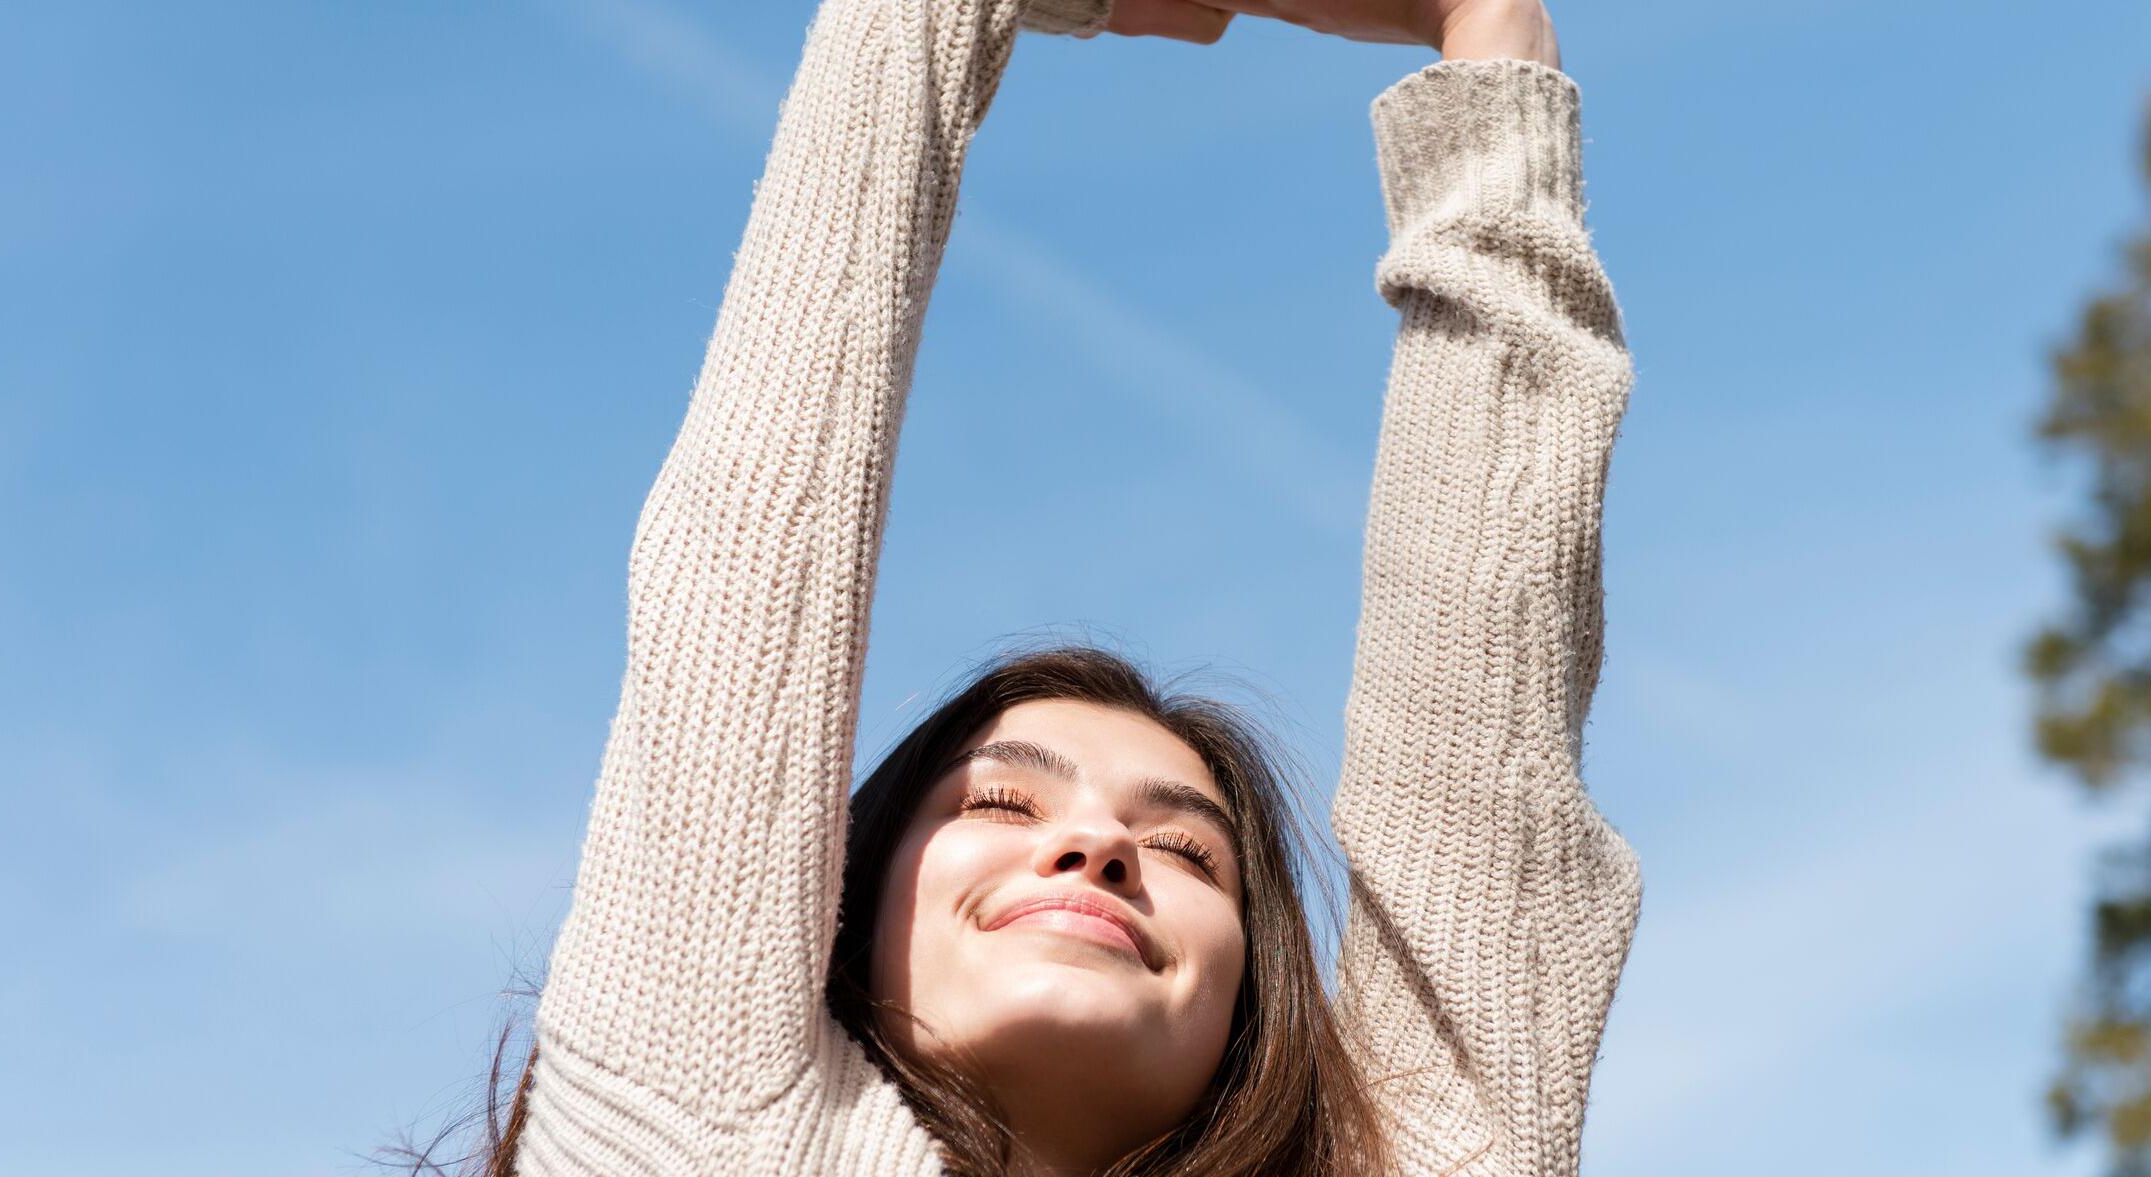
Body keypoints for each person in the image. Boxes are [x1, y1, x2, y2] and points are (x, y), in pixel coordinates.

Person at [491, 0, 1641, 1172]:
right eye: (998, 803)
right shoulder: (695, 1122)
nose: (1097, 846)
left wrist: (1491, 24)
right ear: (834, 908)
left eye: (1191, 855)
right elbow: (750, 560)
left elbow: (1481, 753)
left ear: (1252, 1009)